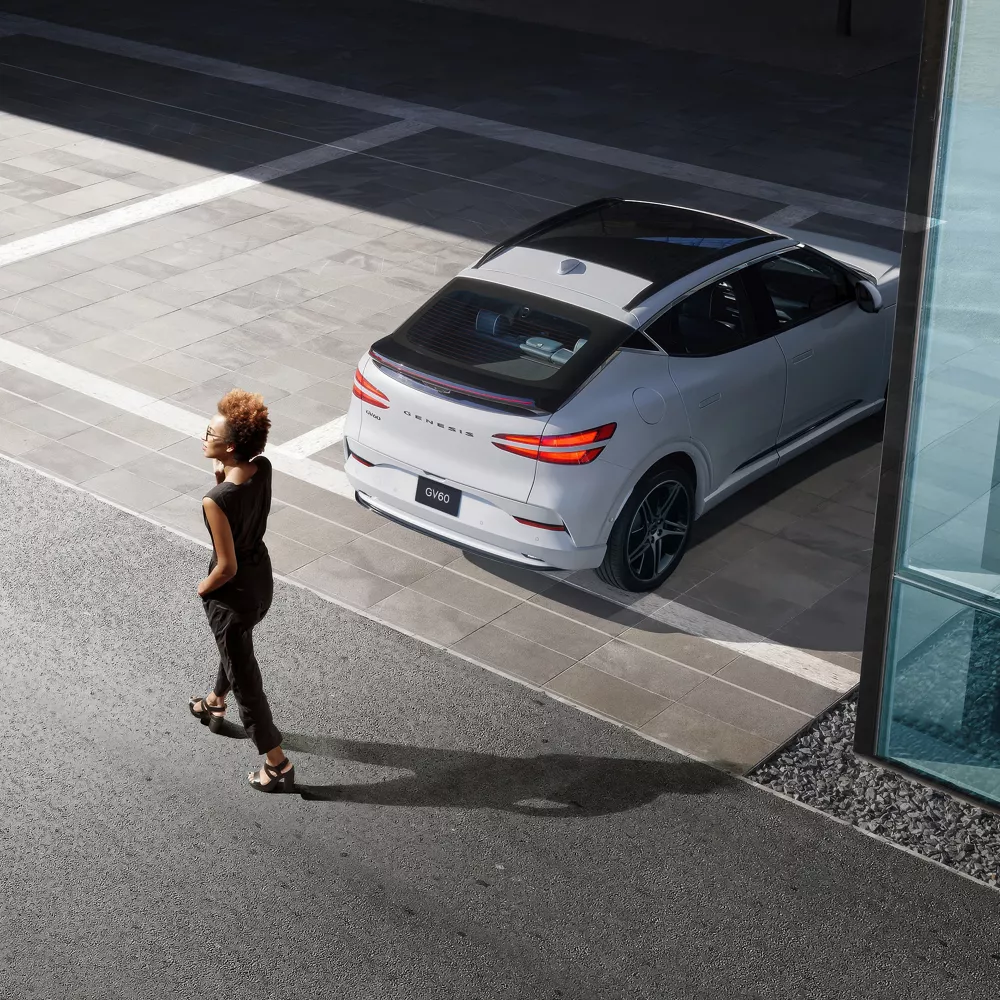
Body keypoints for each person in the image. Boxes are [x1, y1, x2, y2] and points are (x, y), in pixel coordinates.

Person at [188, 389, 295, 793]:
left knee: (246, 679)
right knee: (236, 651)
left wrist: (204, 586)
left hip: (232, 594)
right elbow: (244, 503)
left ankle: (277, 763)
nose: (204, 436)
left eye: (209, 432)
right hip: (261, 581)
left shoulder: (214, 500)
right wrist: (222, 478)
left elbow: (226, 565)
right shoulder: (261, 467)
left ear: (228, 445)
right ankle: (215, 702)